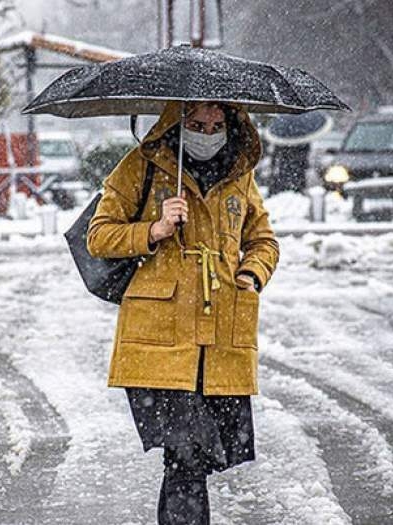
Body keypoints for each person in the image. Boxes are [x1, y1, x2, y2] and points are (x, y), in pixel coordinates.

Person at [86, 100, 279, 524]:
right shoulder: (143, 165)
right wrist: (154, 229)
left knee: (199, 457)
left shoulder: (239, 175)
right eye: (195, 124)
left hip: (221, 340)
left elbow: (264, 241)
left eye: (215, 125)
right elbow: (98, 236)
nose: (207, 134)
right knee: (187, 454)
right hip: (159, 342)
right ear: (177, 123)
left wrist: (251, 276)